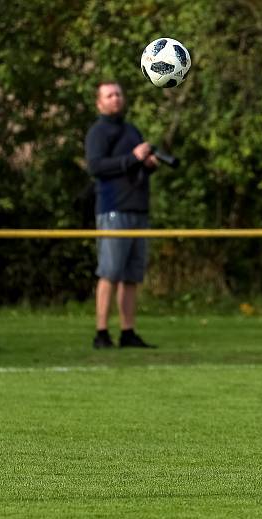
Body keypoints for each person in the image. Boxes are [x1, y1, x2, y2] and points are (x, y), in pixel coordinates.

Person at [85, 81, 158, 349]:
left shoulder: (131, 130)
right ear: (99, 103)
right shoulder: (98, 132)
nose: (115, 99)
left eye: (118, 94)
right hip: (114, 210)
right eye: (109, 95)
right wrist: (132, 158)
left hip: (138, 209)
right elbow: (96, 166)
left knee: (131, 276)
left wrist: (147, 164)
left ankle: (128, 332)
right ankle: (101, 333)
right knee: (110, 272)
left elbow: (136, 166)